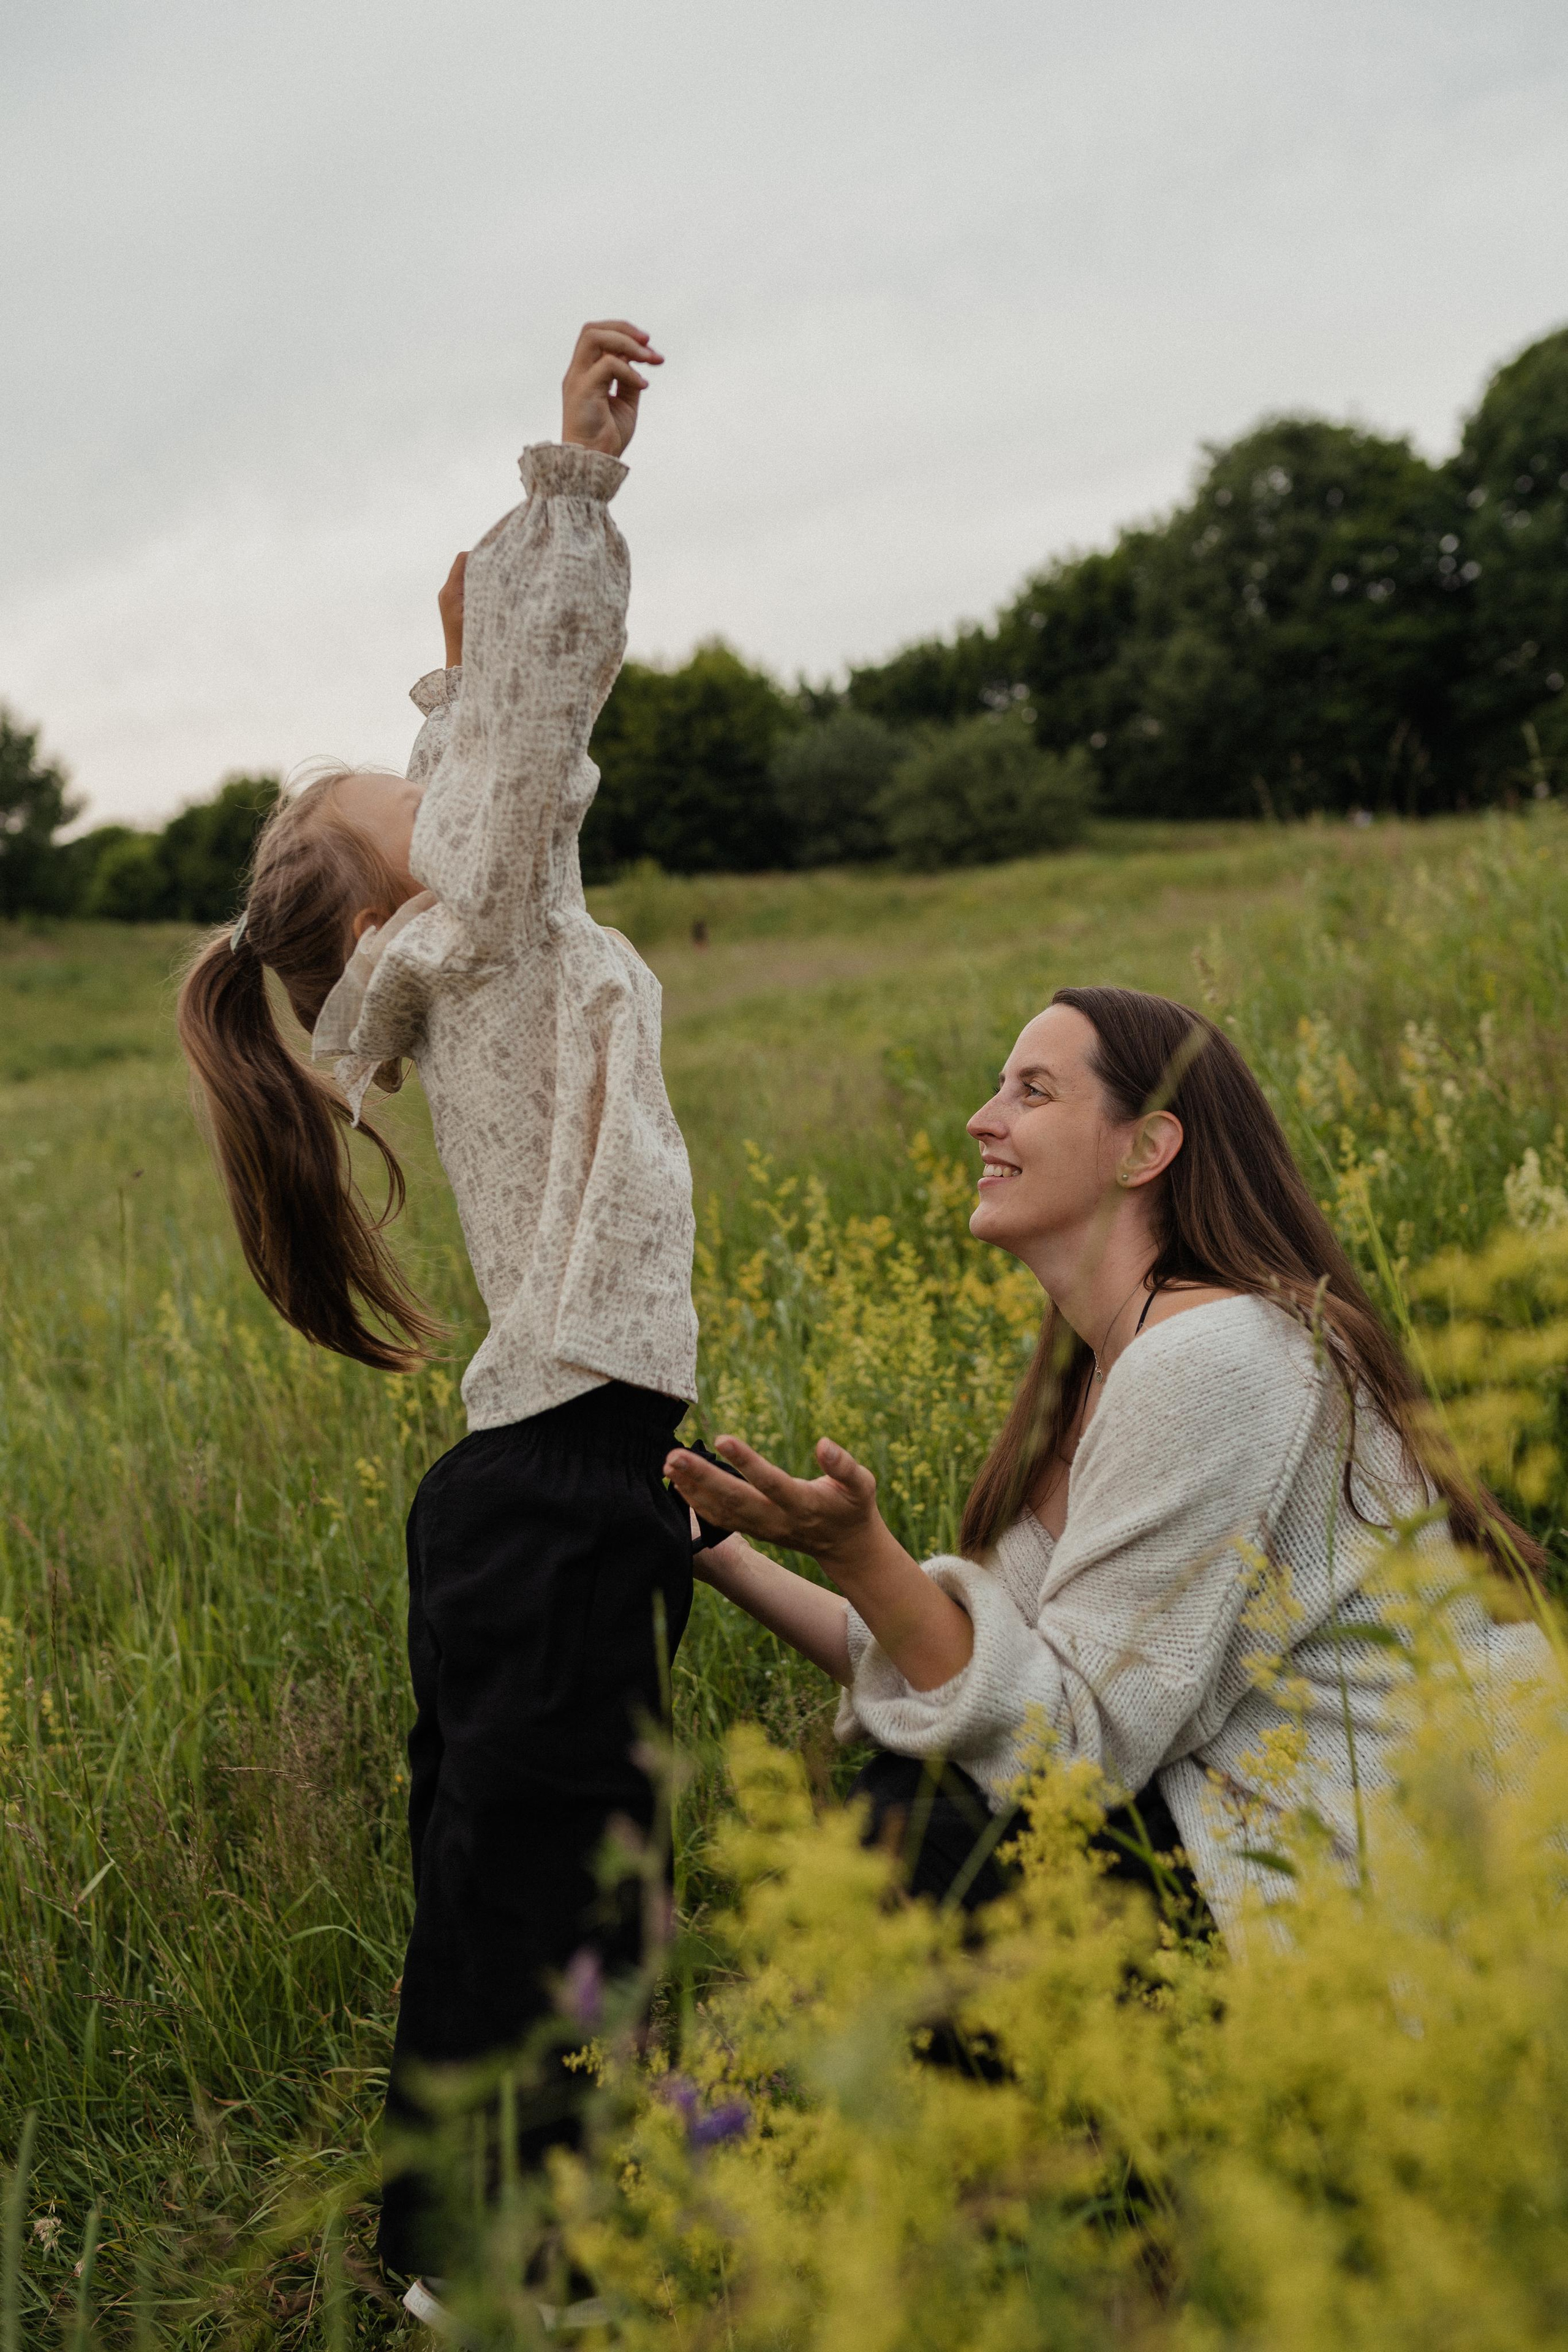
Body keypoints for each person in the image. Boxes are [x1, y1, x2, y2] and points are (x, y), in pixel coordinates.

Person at [178, 320, 718, 2300]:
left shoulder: (465, 927)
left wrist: (459, 653)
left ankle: (478, 2257)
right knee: (541, 1910)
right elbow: (513, 755)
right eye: (397, 790)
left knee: (525, 1897)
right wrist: (568, 494)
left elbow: (507, 768)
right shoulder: (467, 929)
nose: (438, 777)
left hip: (558, 1477)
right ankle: (483, 2274)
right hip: (561, 1481)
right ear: (382, 909)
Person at [667, 984, 1556, 1937]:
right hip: (1281, 1830)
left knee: (928, 1827)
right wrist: (717, 1546)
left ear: (1145, 1148)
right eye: (997, 1087)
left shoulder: (1213, 1357)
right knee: (930, 1808)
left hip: (1405, 1877)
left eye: (1032, 1092)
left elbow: (1063, 1750)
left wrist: (855, 1550)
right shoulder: (1109, 1370)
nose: (981, 1119)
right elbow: (964, 1672)